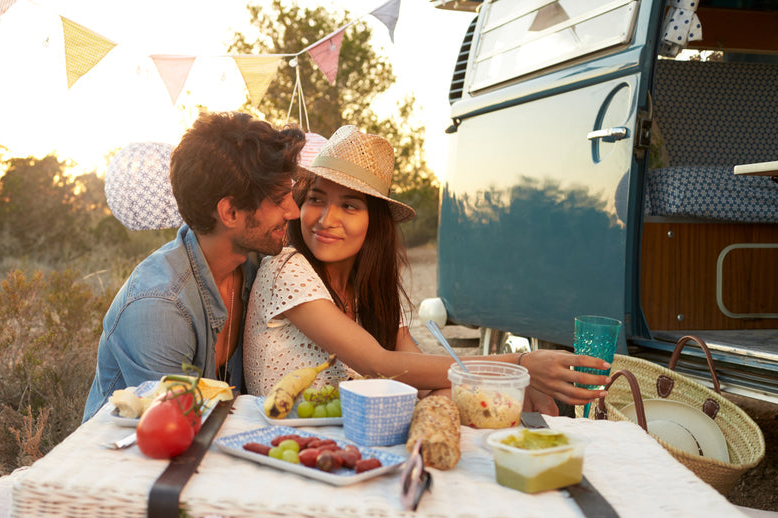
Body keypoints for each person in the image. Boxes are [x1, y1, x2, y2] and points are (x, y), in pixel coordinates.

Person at [244, 125, 609, 414]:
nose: (326, 219)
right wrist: (521, 365)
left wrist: (509, 384)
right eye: (316, 200)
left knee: (456, 394)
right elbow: (380, 364)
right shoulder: (285, 269)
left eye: (350, 206)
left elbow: (419, 368)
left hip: (357, 438)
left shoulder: (369, 288)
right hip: (289, 443)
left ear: (375, 222)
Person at [82, 112, 305, 423]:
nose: (294, 212)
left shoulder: (256, 266)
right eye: (281, 200)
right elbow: (174, 427)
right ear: (229, 212)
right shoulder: (158, 307)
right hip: (130, 460)